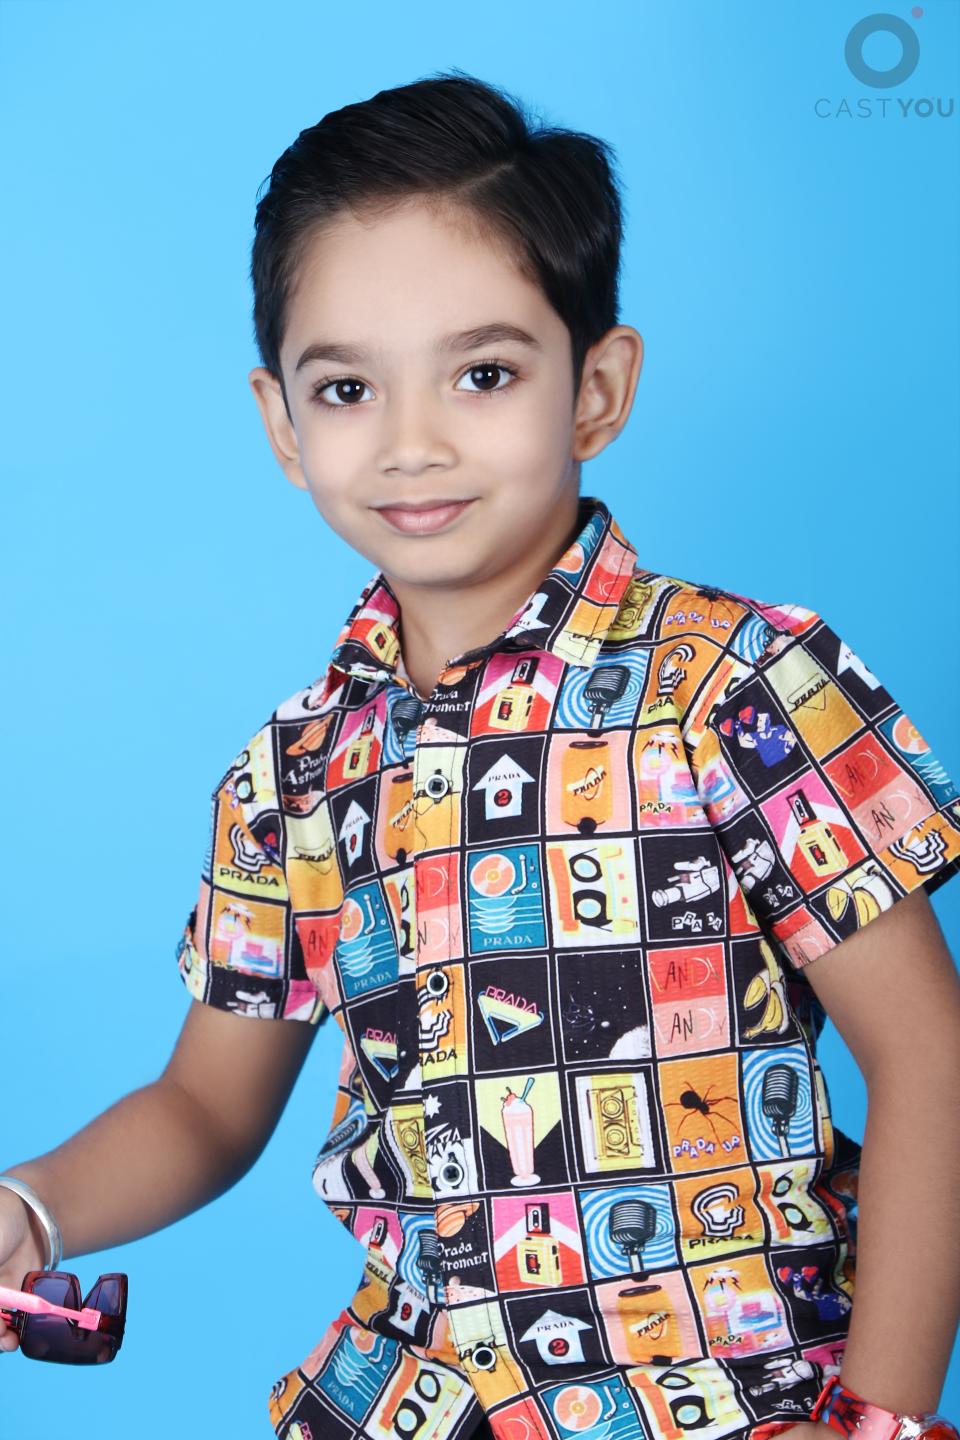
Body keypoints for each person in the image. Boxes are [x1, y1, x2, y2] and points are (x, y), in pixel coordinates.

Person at [2, 71, 959, 1440]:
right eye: (348, 388)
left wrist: (886, 1419)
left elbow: (930, 1057)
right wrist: (31, 1207)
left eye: (484, 373)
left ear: (597, 389)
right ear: (282, 424)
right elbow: (205, 1104)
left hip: (725, 1402)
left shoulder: (736, 686)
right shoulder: (294, 774)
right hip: (413, 1403)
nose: (412, 443)